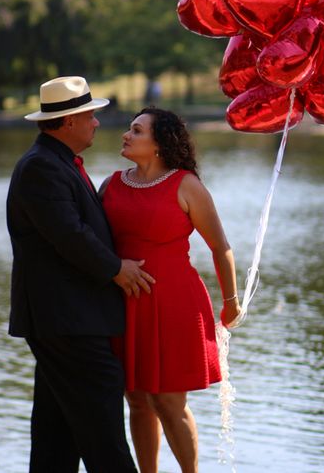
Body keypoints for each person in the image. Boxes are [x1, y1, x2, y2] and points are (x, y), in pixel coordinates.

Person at [6, 76, 155, 473]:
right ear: (69, 122)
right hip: (66, 321)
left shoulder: (55, 162)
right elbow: (69, 235)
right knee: (104, 431)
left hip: (66, 319)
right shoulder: (41, 167)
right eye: (90, 115)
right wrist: (116, 269)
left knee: (57, 434)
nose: (96, 123)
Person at [100, 107, 241, 473]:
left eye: (136, 130)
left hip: (174, 305)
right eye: (129, 129)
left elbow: (221, 247)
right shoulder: (111, 184)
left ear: (160, 143)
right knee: (137, 399)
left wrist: (231, 303)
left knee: (167, 401)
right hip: (125, 304)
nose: (126, 135)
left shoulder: (186, 185)